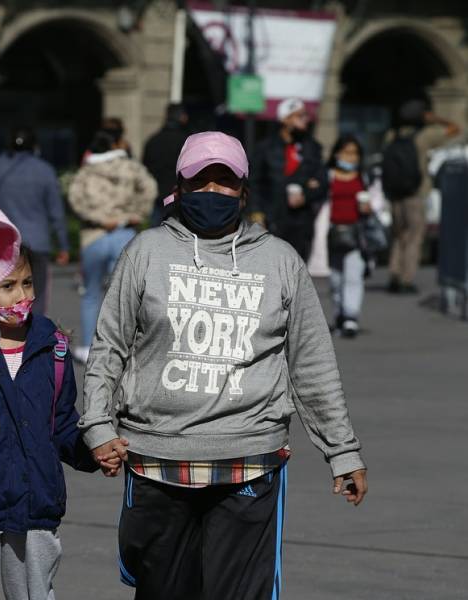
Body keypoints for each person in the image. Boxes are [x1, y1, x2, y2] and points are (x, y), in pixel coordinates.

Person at [80, 131, 367, 600]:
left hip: (248, 462)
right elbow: (109, 345)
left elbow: (312, 364)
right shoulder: (146, 252)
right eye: (202, 180)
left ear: (244, 191)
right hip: (156, 460)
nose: (213, 192)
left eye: (225, 181)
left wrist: (342, 451)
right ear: (180, 186)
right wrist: (97, 425)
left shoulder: (279, 261)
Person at [0, 246, 98, 600]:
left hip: (36, 505)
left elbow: (62, 423)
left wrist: (92, 449)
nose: (23, 295)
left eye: (28, 283)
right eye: (9, 286)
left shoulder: (54, 347)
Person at [68, 129, 157, 363]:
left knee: (90, 294)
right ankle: (123, 347)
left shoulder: (87, 171)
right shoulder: (129, 167)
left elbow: (74, 198)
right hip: (124, 232)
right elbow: (150, 188)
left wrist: (97, 217)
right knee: (124, 295)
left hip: (94, 234)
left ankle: (88, 346)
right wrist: (137, 213)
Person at [0, 126, 70, 313]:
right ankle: (34, 337)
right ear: (35, 145)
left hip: (4, 243)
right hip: (37, 243)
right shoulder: (45, 170)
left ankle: (7, 339)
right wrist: (63, 245)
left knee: (4, 293)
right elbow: (56, 212)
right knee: (35, 294)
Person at [382, 100, 461, 294]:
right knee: (414, 237)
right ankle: (406, 279)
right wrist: (436, 118)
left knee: (399, 236)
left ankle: (394, 274)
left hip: (394, 193)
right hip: (416, 193)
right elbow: (456, 128)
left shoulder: (391, 135)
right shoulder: (425, 136)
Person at [250, 98, 328, 261]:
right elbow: (254, 183)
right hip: (272, 218)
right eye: (299, 115)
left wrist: (306, 195)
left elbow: (322, 183)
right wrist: (256, 212)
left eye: (305, 115)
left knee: (297, 269)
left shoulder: (312, 147)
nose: (305, 119)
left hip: (301, 222)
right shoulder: (266, 147)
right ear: (285, 119)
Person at [326, 135, 372, 338]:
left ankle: (351, 317)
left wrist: (368, 207)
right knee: (336, 279)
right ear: (337, 154)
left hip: (355, 233)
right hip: (331, 232)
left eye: (354, 153)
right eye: (346, 152)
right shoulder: (327, 176)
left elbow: (376, 201)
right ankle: (339, 314)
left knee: (354, 276)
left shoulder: (364, 177)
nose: (350, 157)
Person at [142, 103, 189, 226]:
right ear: (182, 117)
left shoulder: (153, 140)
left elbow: (145, 168)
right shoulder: (186, 142)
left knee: (156, 233)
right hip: (177, 196)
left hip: (157, 197)